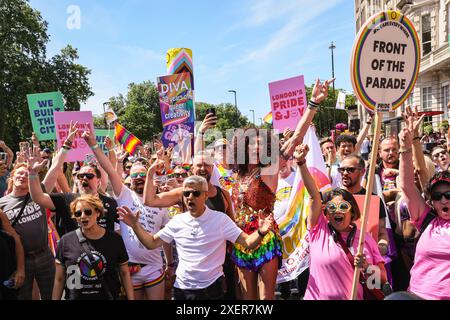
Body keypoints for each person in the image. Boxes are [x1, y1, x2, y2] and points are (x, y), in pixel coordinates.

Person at [230, 78, 334, 300]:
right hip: (242, 239)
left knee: (267, 296)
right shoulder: (237, 175)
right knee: (247, 298)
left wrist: (313, 104)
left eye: (261, 142)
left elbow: (296, 137)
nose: (257, 146)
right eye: (252, 142)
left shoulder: (269, 169)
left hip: (266, 237)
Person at [118, 175, 274, 300]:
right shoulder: (178, 221)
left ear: (205, 196)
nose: (190, 197)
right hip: (183, 289)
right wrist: (135, 225)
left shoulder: (220, 219)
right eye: (186, 193)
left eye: (196, 193)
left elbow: (247, 242)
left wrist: (261, 232)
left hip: (212, 288)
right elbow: (151, 243)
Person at [81, 127, 171, 300]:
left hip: (154, 266)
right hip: (130, 266)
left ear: (149, 177)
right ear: (130, 177)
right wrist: (93, 145)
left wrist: (170, 263)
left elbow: (166, 237)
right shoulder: (124, 194)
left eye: (142, 175)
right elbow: (109, 169)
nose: (138, 178)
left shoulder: (161, 201)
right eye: (135, 174)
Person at [295, 144, 386, 300]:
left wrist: (366, 267)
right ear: (327, 214)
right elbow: (314, 196)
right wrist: (301, 163)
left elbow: (380, 281)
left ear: (352, 212)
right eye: (332, 207)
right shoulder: (319, 231)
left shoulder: (366, 239)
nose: (337, 211)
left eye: (343, 206)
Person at [398, 127, 450, 299]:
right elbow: (407, 186)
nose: (443, 200)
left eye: (448, 194)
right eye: (437, 196)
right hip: (416, 295)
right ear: (432, 201)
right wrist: (405, 147)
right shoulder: (427, 219)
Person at [52, 194, 134, 300]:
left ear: (98, 212)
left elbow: (124, 273)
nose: (83, 216)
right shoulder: (65, 241)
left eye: (88, 212)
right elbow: (59, 278)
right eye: (78, 213)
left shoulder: (114, 239)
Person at [338, 154, 390, 256]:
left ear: (362, 172)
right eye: (342, 170)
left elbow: (381, 232)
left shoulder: (373, 200)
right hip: (339, 257)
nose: (344, 173)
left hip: (365, 258)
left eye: (350, 170)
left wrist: (382, 247)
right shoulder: (333, 198)